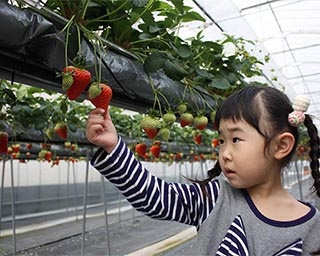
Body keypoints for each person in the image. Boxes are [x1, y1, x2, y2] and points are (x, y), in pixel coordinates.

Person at [86, 85, 320, 255]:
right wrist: (113, 146)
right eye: (221, 141)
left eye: (236, 139)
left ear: (281, 146)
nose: (225, 153)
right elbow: (151, 196)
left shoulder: (313, 226)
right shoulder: (213, 198)